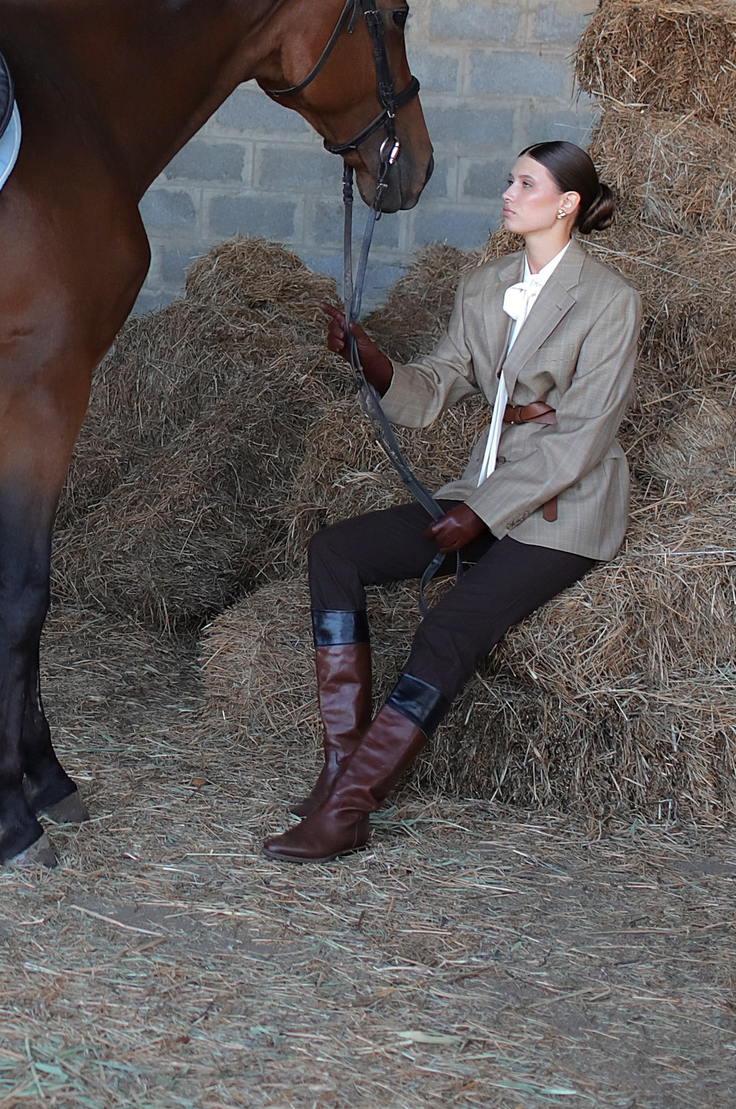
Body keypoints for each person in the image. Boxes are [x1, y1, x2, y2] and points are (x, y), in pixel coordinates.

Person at [264, 140, 639, 863]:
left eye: (525, 181)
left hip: (565, 509)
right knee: (334, 551)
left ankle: (348, 809)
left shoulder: (611, 302)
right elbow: (436, 387)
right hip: (484, 488)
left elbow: (583, 439)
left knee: (447, 631)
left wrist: (485, 515)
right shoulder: (486, 284)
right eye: (509, 177)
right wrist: (373, 362)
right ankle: (339, 765)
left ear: (565, 204)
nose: (508, 190)